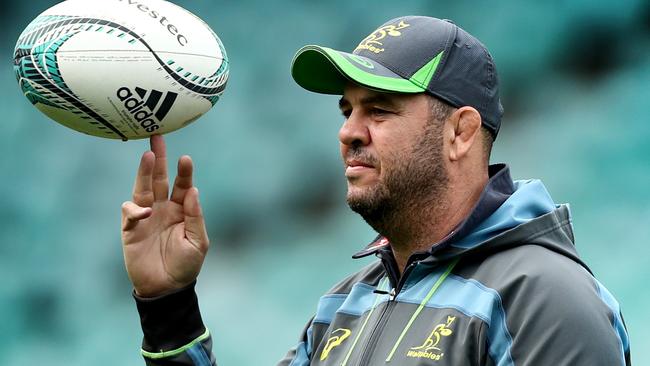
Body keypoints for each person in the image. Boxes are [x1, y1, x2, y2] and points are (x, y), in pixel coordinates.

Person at [121, 16, 631, 365]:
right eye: (348, 111)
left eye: (380, 109)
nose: (348, 131)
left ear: (461, 132)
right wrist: (169, 306)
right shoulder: (346, 305)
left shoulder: (545, 297)